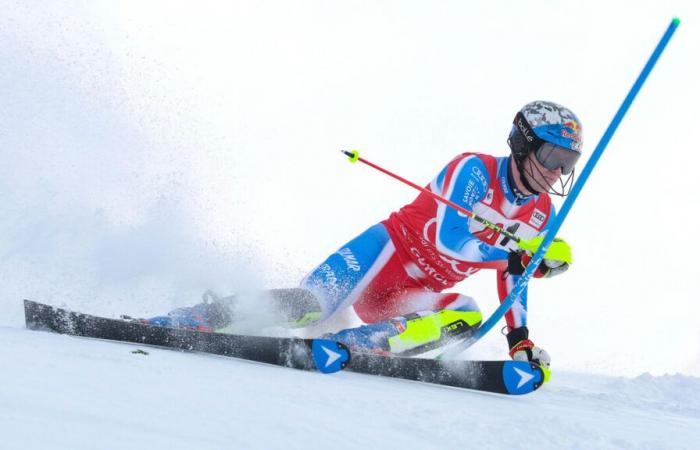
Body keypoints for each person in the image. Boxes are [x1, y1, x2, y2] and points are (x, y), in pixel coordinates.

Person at [145, 100, 583, 368]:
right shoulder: (474, 170)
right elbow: (452, 240)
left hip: (406, 298)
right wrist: (516, 257)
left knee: (468, 313)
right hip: (383, 255)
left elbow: (514, 277)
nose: (557, 171)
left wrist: (518, 338)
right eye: (551, 155)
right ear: (523, 145)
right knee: (310, 306)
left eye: (568, 162)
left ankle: (356, 345)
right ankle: (192, 319)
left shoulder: (542, 213)